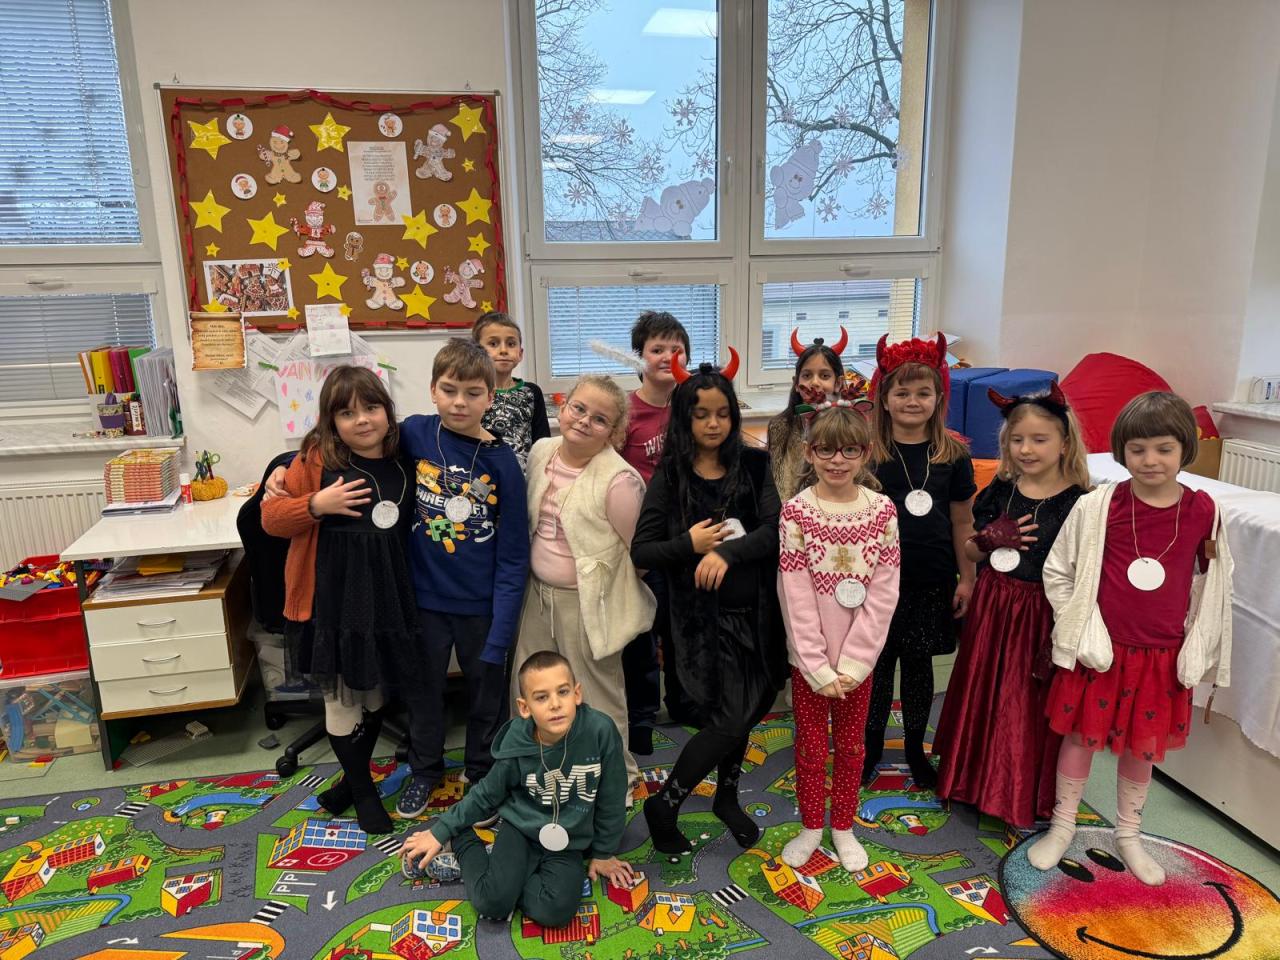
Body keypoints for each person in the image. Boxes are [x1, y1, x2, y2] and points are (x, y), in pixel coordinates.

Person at [1028, 392, 1233, 885]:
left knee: (1141, 749)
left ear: (1185, 449)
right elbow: (1059, 571)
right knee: (1079, 738)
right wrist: (1083, 630)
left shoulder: (1203, 511)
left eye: (1164, 448)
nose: (1150, 460)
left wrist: (1199, 646)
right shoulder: (1101, 505)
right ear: (1122, 451)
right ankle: (1063, 824)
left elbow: (1214, 583)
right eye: (1138, 449)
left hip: (1162, 657)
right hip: (1100, 652)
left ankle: (1129, 833)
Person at [631, 353, 786, 855]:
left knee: (747, 711)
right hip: (701, 625)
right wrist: (690, 545)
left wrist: (726, 552)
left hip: (756, 616)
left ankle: (727, 796)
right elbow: (642, 551)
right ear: (685, 418)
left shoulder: (755, 465)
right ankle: (667, 804)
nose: (713, 424)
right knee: (728, 719)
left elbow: (774, 531)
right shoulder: (672, 475)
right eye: (701, 415)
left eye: (722, 414)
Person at [262, 366, 415, 834]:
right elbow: (271, 519)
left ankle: (350, 781)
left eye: (372, 408)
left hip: (386, 598)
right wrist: (314, 505)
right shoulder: (315, 460)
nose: (362, 420)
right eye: (347, 413)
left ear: (388, 411)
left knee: (376, 692)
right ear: (331, 422)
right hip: (331, 602)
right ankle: (364, 791)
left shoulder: (406, 454)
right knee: (342, 699)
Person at [932, 384, 1089, 828]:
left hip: (1040, 614)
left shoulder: (1081, 502)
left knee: (1021, 702)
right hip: (994, 604)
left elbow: (1085, 569)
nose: (1026, 449)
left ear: (1064, 443)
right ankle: (971, 781)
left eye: (1039, 439)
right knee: (983, 692)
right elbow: (971, 548)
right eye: (1017, 439)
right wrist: (987, 539)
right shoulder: (1003, 488)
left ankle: (1015, 793)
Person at [395, 339, 530, 818]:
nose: (459, 403)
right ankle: (425, 771)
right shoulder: (414, 433)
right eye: (449, 390)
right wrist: (285, 471)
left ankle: (481, 772)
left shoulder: (504, 465)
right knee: (423, 694)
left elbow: (514, 555)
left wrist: (503, 627)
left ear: (490, 397)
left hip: (482, 608)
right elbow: (355, 445)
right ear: (433, 389)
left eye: (473, 393)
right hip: (423, 603)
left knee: (486, 699)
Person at [398, 651, 634, 926]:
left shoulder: (600, 730)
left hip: (569, 837)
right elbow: (486, 794)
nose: (555, 704)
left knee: (555, 912)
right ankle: (463, 842)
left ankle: (497, 872)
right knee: (492, 904)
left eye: (563, 692)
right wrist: (441, 831)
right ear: (524, 707)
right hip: (521, 828)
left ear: (577, 694)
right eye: (541, 697)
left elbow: (612, 796)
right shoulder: (517, 742)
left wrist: (603, 852)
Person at [778, 384, 900, 872]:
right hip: (810, 661)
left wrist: (854, 662)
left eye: (849, 450)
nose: (837, 460)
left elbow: (884, 591)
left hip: (857, 662)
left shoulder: (882, 511)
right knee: (810, 747)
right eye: (826, 450)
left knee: (851, 746)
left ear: (865, 453)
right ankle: (812, 825)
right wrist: (816, 664)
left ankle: (843, 824)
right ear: (810, 452)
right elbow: (795, 593)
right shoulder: (797, 512)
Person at [514, 374, 655, 789]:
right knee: (533, 685)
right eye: (578, 408)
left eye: (599, 419)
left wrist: (605, 590)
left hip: (587, 602)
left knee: (596, 692)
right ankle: (541, 769)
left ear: (613, 432)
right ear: (563, 407)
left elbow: (639, 555)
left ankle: (618, 778)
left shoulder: (619, 481)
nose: (583, 421)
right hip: (537, 596)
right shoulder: (542, 451)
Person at [864, 333, 976, 790]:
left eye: (923, 393)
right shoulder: (868, 453)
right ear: (884, 398)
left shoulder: (954, 455)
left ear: (938, 398)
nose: (913, 401)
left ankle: (915, 747)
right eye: (903, 392)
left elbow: (963, 522)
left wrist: (967, 578)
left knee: (917, 667)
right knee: (875, 668)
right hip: (875, 583)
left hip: (931, 580)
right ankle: (870, 747)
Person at [767, 328, 848, 503]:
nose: (815, 383)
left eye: (824, 376)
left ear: (838, 383)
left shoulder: (850, 426)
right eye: (807, 375)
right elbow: (777, 482)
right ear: (796, 383)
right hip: (791, 511)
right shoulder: (780, 426)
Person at [473, 311, 550, 470]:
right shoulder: (471, 393)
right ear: (476, 351)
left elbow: (542, 443)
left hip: (522, 477)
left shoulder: (532, 392)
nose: (503, 350)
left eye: (511, 344)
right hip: (480, 475)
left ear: (520, 354)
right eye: (493, 344)